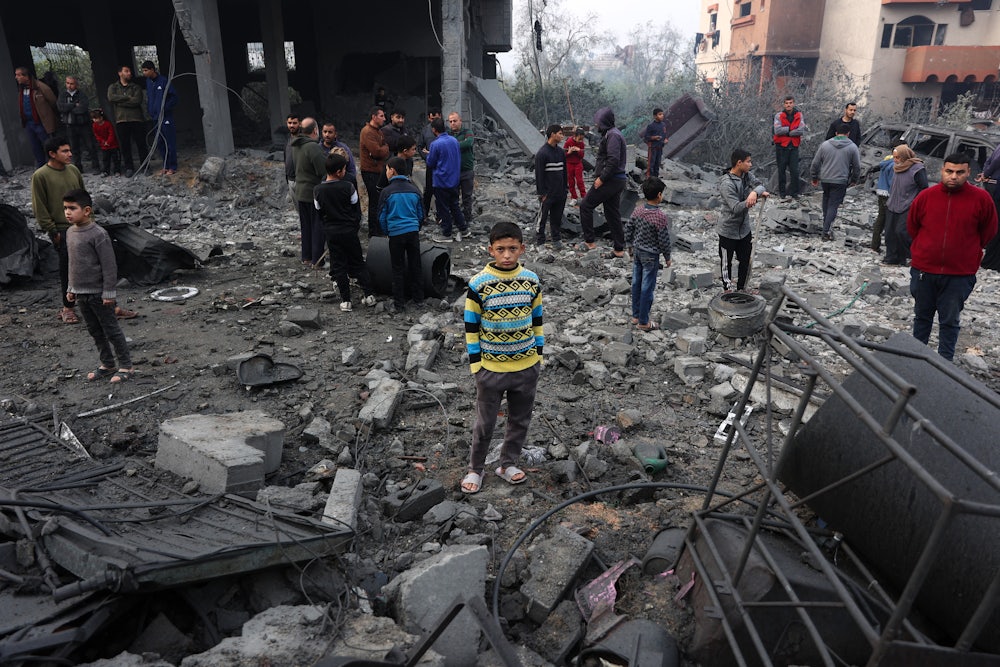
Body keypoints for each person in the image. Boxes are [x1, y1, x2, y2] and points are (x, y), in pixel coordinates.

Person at [461, 221, 543, 494]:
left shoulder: (531, 281)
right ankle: (476, 468)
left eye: (512, 249)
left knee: (520, 419)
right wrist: (477, 366)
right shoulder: (478, 284)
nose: (507, 255)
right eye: (500, 249)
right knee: (485, 422)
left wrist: (537, 356)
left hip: (526, 366)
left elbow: (537, 321)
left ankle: (508, 463)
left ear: (522, 248)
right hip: (491, 369)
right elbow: (471, 328)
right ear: (490, 251)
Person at [907, 153, 997, 361]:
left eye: (959, 172)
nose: (953, 176)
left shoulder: (981, 199)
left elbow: (989, 231)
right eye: (949, 171)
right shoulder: (926, 197)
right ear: (942, 171)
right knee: (922, 317)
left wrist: (967, 250)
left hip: (959, 273)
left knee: (949, 320)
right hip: (924, 270)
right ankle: (914, 359)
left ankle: (944, 364)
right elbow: (912, 227)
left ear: (968, 173)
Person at [63, 189, 135, 384]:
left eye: (72, 208)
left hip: (99, 294)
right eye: (65, 208)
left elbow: (109, 265)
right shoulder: (70, 232)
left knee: (111, 329)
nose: (67, 212)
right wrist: (70, 288)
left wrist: (109, 292)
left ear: (87, 210)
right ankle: (107, 363)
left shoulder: (98, 234)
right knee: (94, 330)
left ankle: (126, 366)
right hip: (81, 294)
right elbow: (73, 263)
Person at [313, 152, 378, 312]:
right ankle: (369, 296)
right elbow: (356, 209)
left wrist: (328, 226)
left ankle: (346, 300)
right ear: (339, 171)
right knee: (357, 262)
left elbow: (319, 211)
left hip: (332, 232)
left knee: (339, 265)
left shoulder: (318, 190)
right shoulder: (348, 187)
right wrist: (353, 225)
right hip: (349, 231)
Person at [32, 136, 84, 323]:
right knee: (68, 269)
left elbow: (84, 197)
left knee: (94, 265)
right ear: (52, 154)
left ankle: (106, 304)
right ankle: (68, 308)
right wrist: (52, 231)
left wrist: (89, 220)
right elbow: (40, 207)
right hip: (62, 229)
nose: (70, 154)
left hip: (82, 226)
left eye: (69, 150)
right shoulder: (41, 176)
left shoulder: (73, 171)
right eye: (64, 151)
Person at [378, 156, 425, 312]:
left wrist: (387, 231)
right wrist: (415, 227)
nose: (385, 172)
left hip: (395, 234)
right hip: (412, 232)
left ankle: (399, 304)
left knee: (397, 268)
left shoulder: (386, 192)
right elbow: (421, 214)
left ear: (392, 170)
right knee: (415, 265)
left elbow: (382, 216)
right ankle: (418, 299)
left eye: (386, 169)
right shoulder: (414, 190)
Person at [580, 107, 628, 257]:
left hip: (610, 180)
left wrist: (601, 178)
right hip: (617, 180)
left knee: (586, 206)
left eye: (598, 123)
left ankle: (589, 242)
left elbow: (613, 160)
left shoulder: (613, 136)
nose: (596, 126)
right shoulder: (611, 134)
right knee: (612, 213)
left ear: (605, 122)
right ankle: (619, 249)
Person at [626, 177, 672, 331]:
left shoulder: (638, 210)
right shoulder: (660, 217)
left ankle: (636, 315)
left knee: (636, 283)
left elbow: (628, 228)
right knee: (647, 287)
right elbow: (664, 240)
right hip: (651, 256)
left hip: (638, 252)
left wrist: (629, 245)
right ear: (659, 194)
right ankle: (644, 322)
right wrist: (667, 257)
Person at [719, 148, 767, 293]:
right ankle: (727, 289)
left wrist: (755, 192)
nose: (750, 164)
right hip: (728, 229)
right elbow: (735, 207)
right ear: (739, 163)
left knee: (745, 259)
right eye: (748, 162)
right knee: (726, 262)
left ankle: (742, 288)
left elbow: (760, 185)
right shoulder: (726, 183)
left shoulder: (746, 175)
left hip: (744, 228)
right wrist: (749, 201)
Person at [810, 123, 861, 241]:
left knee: (826, 201)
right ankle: (826, 231)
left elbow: (815, 163)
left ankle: (826, 224)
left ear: (836, 133)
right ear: (848, 134)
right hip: (840, 180)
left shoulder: (825, 145)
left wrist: (814, 177)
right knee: (833, 205)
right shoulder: (852, 147)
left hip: (826, 179)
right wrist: (854, 180)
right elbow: (857, 166)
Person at [291, 118, 328, 266]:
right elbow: (322, 170)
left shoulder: (295, 145)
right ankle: (318, 259)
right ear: (315, 130)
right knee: (317, 227)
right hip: (313, 192)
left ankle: (306, 256)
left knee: (306, 227)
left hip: (300, 191)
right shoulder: (313, 147)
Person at [426, 117, 469, 242]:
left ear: (434, 130)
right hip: (454, 180)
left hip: (441, 180)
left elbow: (430, 162)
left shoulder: (435, 144)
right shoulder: (454, 141)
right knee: (454, 205)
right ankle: (463, 229)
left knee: (443, 207)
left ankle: (447, 233)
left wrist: (429, 154)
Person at [883, 145, 928, 266]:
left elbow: (923, 187)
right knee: (889, 233)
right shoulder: (897, 167)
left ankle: (906, 256)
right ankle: (891, 257)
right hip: (893, 203)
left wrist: (915, 202)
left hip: (908, 205)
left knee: (901, 232)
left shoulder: (917, 168)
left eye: (897, 157)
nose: (895, 160)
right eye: (894, 157)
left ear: (904, 156)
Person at [106, 65, 147, 177]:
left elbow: (137, 101)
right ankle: (129, 167)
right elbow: (111, 97)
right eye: (126, 71)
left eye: (129, 71)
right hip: (121, 120)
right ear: (120, 73)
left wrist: (119, 101)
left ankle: (145, 165)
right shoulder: (113, 87)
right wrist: (128, 98)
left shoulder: (135, 87)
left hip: (136, 119)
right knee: (125, 145)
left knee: (141, 144)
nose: (129, 73)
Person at [15, 66, 59, 168]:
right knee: (35, 146)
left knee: (47, 145)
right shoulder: (21, 90)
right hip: (29, 123)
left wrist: (47, 115)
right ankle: (41, 167)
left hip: (41, 122)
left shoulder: (40, 87)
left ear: (25, 76)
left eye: (18, 75)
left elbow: (52, 101)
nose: (16, 77)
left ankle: (54, 165)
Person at [140, 60, 178, 175]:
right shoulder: (148, 82)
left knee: (169, 142)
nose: (144, 73)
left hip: (166, 117)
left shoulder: (164, 81)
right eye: (143, 71)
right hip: (155, 118)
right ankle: (165, 166)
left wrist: (164, 108)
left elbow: (174, 98)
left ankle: (173, 166)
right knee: (160, 142)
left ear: (152, 70)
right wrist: (151, 111)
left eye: (146, 70)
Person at [57, 76, 101, 173]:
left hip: (83, 124)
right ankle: (78, 168)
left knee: (90, 146)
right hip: (70, 125)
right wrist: (73, 105)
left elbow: (82, 109)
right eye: (67, 83)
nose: (69, 85)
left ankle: (96, 167)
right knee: (74, 148)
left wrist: (69, 108)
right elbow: (61, 107)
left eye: (71, 83)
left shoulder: (81, 95)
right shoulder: (63, 95)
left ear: (76, 85)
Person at [534, 124, 567, 247]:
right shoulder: (542, 154)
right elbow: (539, 175)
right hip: (548, 194)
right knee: (542, 218)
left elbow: (564, 172)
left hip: (560, 192)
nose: (562, 136)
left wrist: (565, 188)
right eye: (560, 133)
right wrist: (541, 193)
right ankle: (540, 240)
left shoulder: (560, 152)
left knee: (557, 217)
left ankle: (556, 239)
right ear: (552, 134)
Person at [359, 107, 390, 237]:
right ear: (374, 117)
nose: (384, 118)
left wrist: (384, 149)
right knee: (374, 201)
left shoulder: (378, 132)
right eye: (381, 116)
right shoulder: (367, 132)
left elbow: (382, 149)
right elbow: (377, 152)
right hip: (370, 171)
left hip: (378, 170)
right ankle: (374, 232)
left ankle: (379, 229)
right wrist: (385, 149)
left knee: (379, 201)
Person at [872, 140, 907, 252]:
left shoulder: (886, 161)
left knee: (881, 219)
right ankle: (887, 247)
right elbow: (894, 183)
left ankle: (875, 244)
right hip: (889, 194)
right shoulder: (894, 165)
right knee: (888, 221)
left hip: (882, 192)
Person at [773, 96, 805, 199]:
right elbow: (777, 130)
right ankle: (782, 193)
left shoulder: (799, 115)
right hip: (781, 147)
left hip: (794, 146)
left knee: (794, 171)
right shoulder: (779, 116)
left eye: (790, 103)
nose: (788, 105)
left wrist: (786, 131)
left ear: (793, 103)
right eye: (786, 103)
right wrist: (791, 130)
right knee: (781, 170)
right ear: (784, 104)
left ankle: (794, 193)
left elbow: (801, 130)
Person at [447, 112, 475, 223]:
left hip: (466, 170)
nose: (453, 123)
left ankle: (467, 218)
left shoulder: (468, 132)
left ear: (460, 121)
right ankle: (455, 217)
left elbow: (468, 143)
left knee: (467, 196)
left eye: (455, 121)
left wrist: (451, 146)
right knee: (453, 196)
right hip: (453, 171)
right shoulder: (448, 134)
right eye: (450, 121)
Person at [418, 108, 442, 223]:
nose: (434, 121)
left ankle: (440, 216)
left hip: (442, 167)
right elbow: (420, 147)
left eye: (436, 118)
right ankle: (424, 215)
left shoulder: (444, 130)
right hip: (431, 166)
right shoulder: (425, 131)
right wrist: (427, 157)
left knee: (441, 191)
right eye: (432, 119)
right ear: (429, 118)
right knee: (428, 191)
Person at [90, 109, 122, 177]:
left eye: (96, 118)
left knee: (116, 159)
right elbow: (96, 135)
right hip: (104, 146)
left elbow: (111, 133)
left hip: (113, 145)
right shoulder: (94, 125)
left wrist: (108, 141)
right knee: (105, 159)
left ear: (101, 118)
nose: (95, 120)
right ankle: (106, 171)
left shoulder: (108, 124)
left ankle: (117, 171)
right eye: (93, 118)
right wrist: (103, 141)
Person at [640, 107, 668, 178]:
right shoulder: (651, 126)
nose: (662, 116)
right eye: (660, 114)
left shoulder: (663, 125)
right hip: (653, 147)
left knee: (657, 164)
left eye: (662, 114)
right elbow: (646, 137)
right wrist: (654, 137)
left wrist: (666, 140)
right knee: (651, 164)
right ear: (655, 116)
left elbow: (665, 135)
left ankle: (656, 179)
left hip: (660, 147)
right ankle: (649, 179)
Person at [564, 127, 587, 204]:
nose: (580, 140)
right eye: (579, 138)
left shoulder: (582, 144)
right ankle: (574, 197)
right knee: (571, 181)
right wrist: (569, 152)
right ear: (576, 136)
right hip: (569, 163)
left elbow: (582, 156)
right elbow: (564, 155)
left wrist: (579, 150)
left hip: (578, 163)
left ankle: (584, 196)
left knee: (580, 181)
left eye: (582, 139)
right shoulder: (568, 142)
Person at [283, 113, 300, 197]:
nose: (292, 125)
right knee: (297, 209)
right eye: (290, 123)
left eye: (294, 123)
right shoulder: (287, 140)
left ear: (299, 124)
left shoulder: (303, 140)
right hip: (290, 180)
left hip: (301, 181)